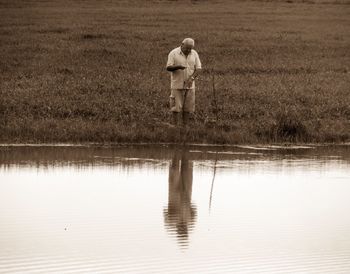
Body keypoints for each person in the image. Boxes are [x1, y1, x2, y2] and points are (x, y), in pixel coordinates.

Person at [166, 38, 202, 126]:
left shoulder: (194, 53)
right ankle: (175, 126)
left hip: (190, 86)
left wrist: (192, 78)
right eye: (187, 48)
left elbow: (198, 68)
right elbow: (168, 67)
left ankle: (185, 127)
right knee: (176, 108)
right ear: (182, 44)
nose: (189, 50)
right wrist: (177, 67)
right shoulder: (173, 53)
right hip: (177, 85)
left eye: (190, 48)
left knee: (188, 108)